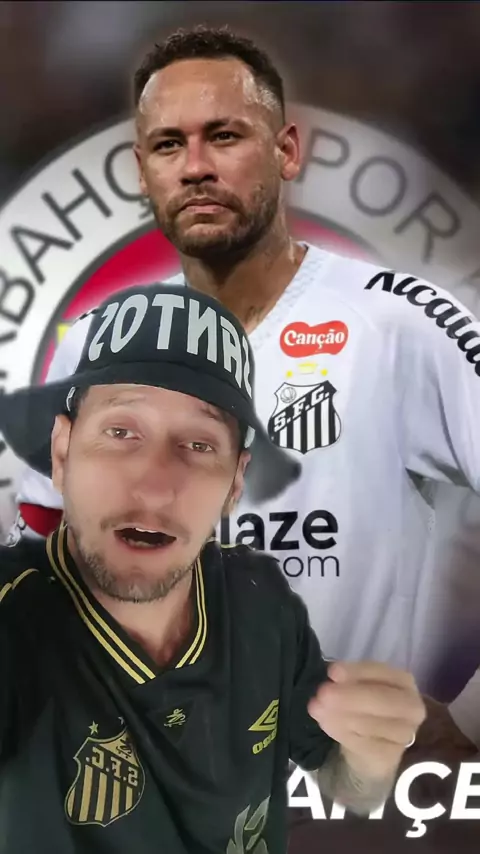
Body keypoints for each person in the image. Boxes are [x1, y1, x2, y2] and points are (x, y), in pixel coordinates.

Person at [8, 26, 480, 763]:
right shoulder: (94, 345)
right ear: (141, 172)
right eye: (168, 145)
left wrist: (470, 719)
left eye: (223, 136)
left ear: (286, 151)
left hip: (339, 796)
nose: (196, 167)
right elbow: (40, 567)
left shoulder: (398, 323)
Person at [0, 283, 424, 853]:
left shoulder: (261, 599)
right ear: (62, 452)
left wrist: (371, 756)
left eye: (199, 445)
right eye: (121, 431)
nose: (155, 486)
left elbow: (343, 782)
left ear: (235, 483)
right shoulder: (15, 622)